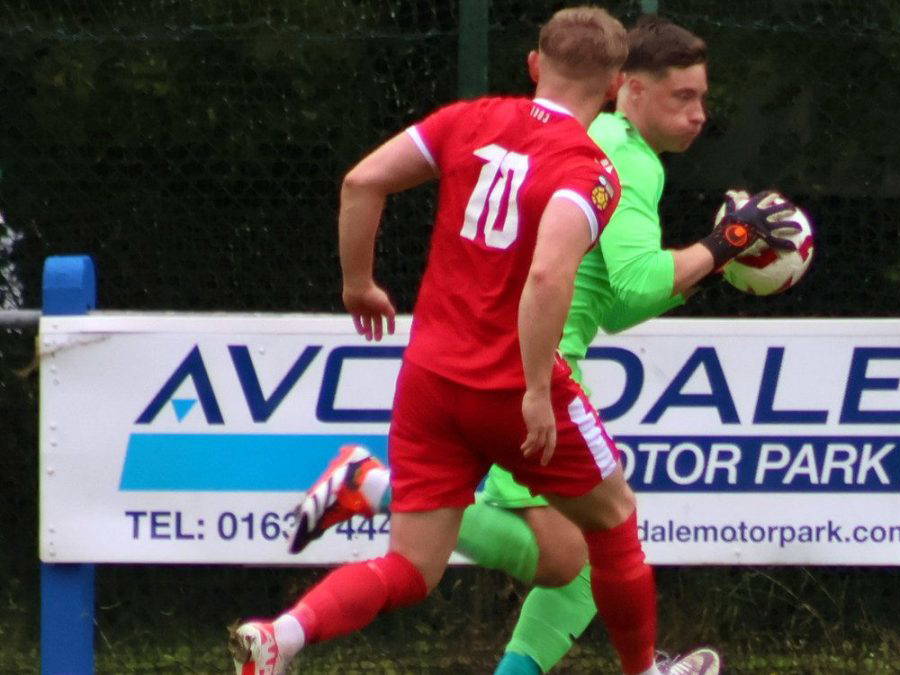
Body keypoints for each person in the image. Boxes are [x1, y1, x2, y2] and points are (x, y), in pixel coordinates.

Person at [228, 8, 753, 675]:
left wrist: (358, 284)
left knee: (413, 566)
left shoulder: (468, 119)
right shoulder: (589, 168)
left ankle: (282, 636)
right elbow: (547, 275)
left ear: (534, 65)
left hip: (430, 377)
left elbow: (361, 182)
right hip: (511, 380)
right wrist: (535, 388)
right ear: (615, 85)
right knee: (614, 520)